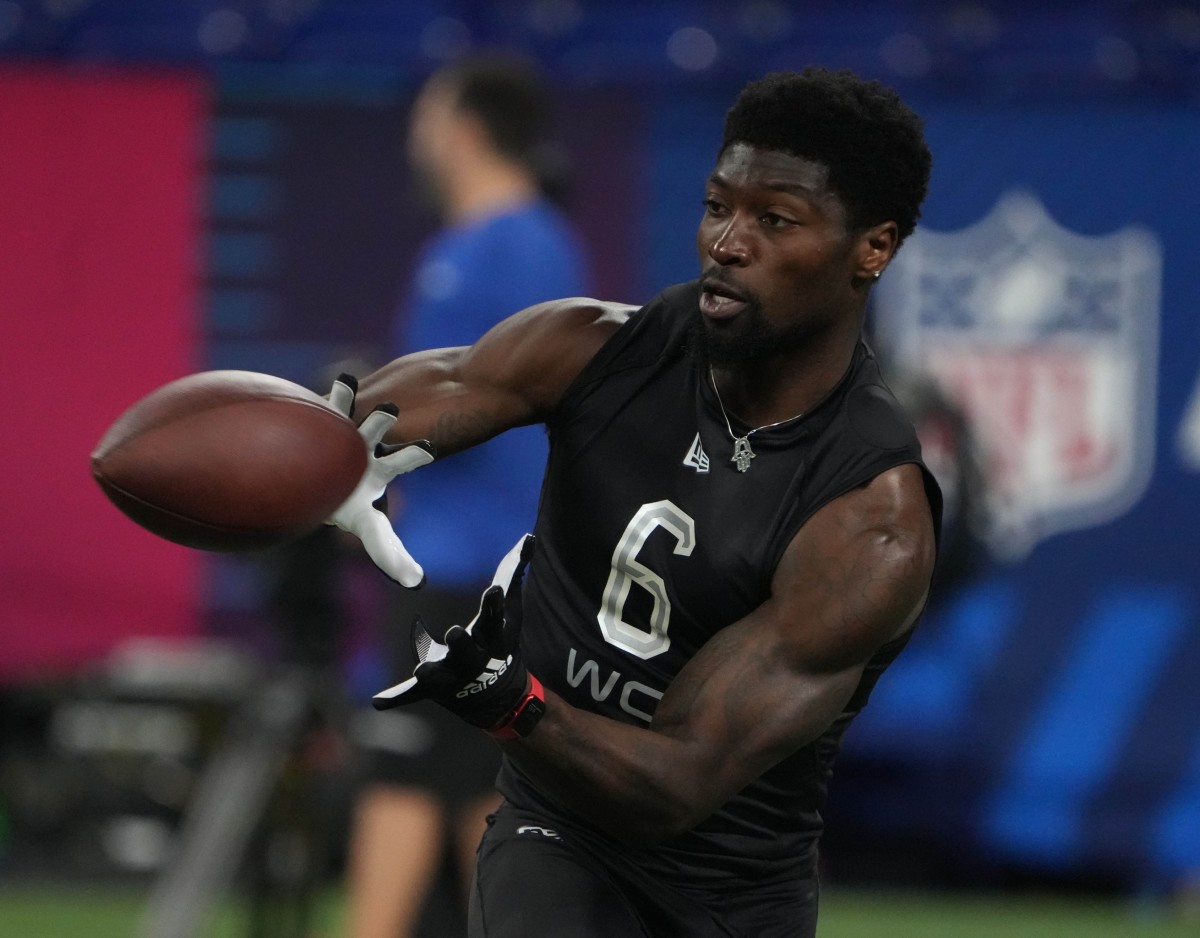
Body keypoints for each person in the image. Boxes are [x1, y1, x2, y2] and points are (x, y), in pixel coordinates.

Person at [328, 67, 942, 938]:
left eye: (774, 221)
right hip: (557, 829)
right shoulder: (594, 347)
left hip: (727, 888)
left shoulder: (869, 518)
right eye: (718, 206)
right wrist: (326, 458)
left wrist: (511, 698)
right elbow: (410, 399)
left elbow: (679, 781)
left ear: (871, 249)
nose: (728, 242)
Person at [341, 53, 590, 938]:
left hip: (455, 571)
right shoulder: (547, 241)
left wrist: (337, 458)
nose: (417, 132)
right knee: (474, 800)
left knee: (405, 784)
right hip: (497, 568)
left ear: (465, 128)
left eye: (428, 112)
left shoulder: (493, 245)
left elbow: (433, 413)